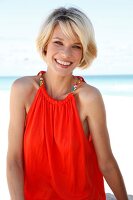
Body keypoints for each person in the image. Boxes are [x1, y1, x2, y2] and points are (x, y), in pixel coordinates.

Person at [7, 7, 128, 200]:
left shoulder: (90, 98)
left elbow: (106, 163)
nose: (66, 53)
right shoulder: (22, 90)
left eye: (76, 46)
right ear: (45, 45)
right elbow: (14, 160)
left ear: (83, 52)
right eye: (58, 42)